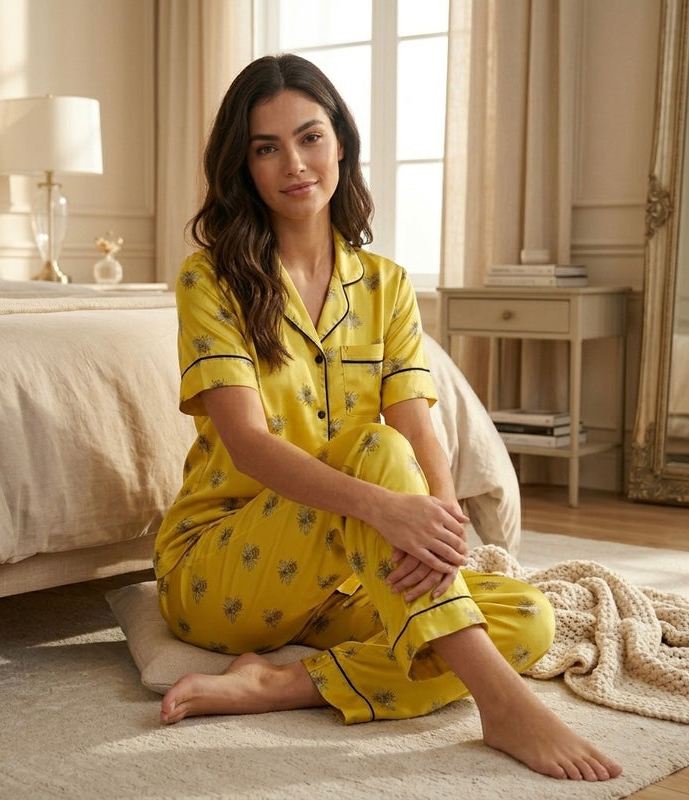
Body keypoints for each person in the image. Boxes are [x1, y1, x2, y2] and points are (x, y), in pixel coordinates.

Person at [153, 53, 622, 782]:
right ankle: (503, 706)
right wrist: (387, 510)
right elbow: (245, 443)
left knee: (530, 619)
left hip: (342, 580)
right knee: (369, 451)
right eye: (266, 147)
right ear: (243, 167)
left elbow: (418, 425)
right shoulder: (209, 279)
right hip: (222, 571)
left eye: (310, 137)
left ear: (341, 141)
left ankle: (282, 684)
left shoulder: (387, 285)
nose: (295, 163)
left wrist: (437, 528)